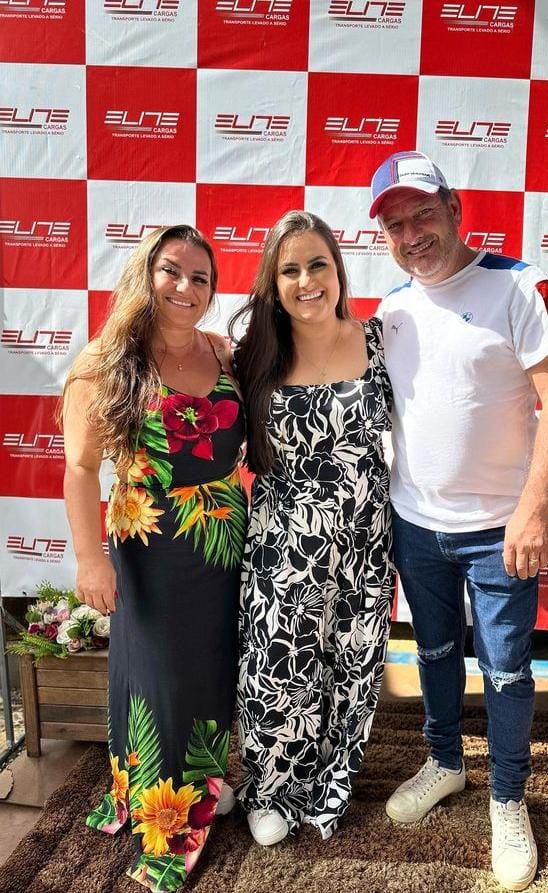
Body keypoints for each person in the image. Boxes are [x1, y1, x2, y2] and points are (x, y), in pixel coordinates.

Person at [369, 151, 548, 891]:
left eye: (423, 214)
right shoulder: (391, 309)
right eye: (395, 225)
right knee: (432, 653)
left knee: (506, 668)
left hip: (500, 530)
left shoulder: (520, 286)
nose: (412, 234)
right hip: (414, 523)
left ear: (455, 209)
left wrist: (535, 507)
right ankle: (446, 763)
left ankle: (507, 797)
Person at [61, 225, 247, 892]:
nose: (185, 287)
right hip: (149, 545)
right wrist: (90, 560)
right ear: (146, 274)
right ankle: (166, 825)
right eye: (172, 271)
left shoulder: (222, 351)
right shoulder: (106, 361)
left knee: (209, 670)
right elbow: (80, 469)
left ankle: (200, 783)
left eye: (201, 278)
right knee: (158, 678)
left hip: (222, 543)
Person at [230, 210, 394, 846]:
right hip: (283, 542)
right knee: (279, 667)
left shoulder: (378, 341)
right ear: (273, 285)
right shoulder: (251, 358)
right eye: (290, 270)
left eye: (317, 264)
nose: (306, 281)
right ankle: (272, 789)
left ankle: (330, 784)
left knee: (353, 666)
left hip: (365, 541)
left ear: (338, 269)